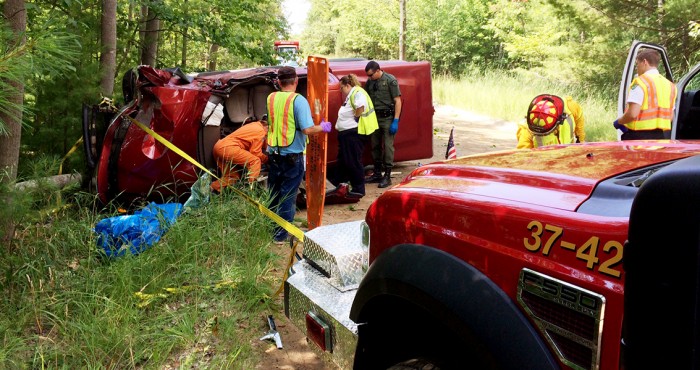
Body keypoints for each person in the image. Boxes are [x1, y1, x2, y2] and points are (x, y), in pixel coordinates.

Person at [266, 66, 331, 244]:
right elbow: (308, 129)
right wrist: (323, 127)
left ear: (279, 82)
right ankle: (281, 234)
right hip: (292, 155)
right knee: (288, 194)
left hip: (273, 153)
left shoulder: (271, 98)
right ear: (295, 81)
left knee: (274, 192)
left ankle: (271, 228)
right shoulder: (298, 100)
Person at [328, 74, 379, 197]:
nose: (341, 90)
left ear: (347, 85)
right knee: (343, 160)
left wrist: (355, 118)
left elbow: (360, 107)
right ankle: (338, 182)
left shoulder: (357, 92)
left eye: (342, 88)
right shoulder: (352, 94)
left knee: (353, 161)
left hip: (353, 133)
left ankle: (358, 189)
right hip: (347, 133)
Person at [613, 49, 677, 140]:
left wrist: (619, 121)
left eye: (637, 64)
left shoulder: (640, 82)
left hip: (638, 139)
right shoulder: (670, 85)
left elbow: (632, 114)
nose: (637, 67)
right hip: (660, 138)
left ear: (644, 62)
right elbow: (670, 117)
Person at [364, 61, 402, 188]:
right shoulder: (370, 82)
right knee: (375, 145)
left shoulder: (390, 80)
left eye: (371, 75)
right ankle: (377, 173)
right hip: (374, 118)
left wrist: (395, 120)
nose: (369, 78)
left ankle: (387, 175)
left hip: (387, 118)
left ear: (378, 70)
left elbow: (397, 101)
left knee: (388, 147)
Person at [210, 120, 268, 193]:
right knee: (255, 161)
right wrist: (267, 160)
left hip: (219, 147)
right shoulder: (260, 131)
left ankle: (209, 189)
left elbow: (263, 143)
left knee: (233, 177)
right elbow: (255, 152)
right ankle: (250, 191)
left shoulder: (255, 125)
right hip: (228, 148)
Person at [516, 94, 581, 149]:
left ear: (559, 121)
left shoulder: (570, 106)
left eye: (546, 134)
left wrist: (580, 140)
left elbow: (579, 121)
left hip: (569, 157)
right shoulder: (526, 131)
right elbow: (523, 156)